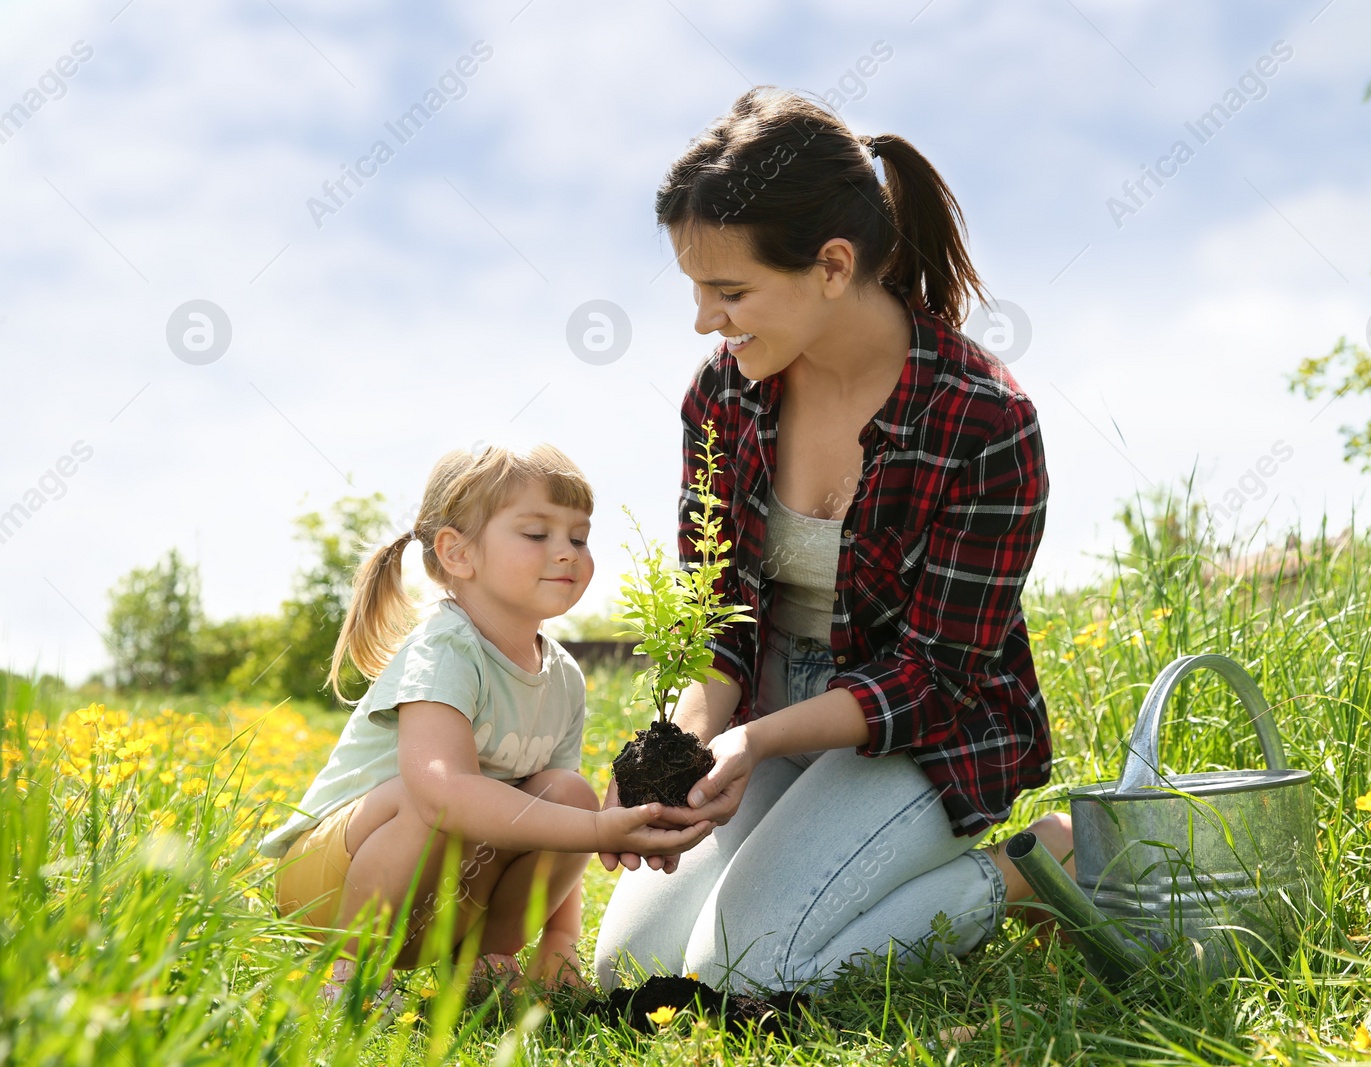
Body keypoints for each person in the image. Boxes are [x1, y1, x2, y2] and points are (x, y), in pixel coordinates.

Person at [593, 87, 1074, 996]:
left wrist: (760, 741)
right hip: (769, 715)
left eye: (730, 291)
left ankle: (1022, 870)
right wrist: (690, 739)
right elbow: (719, 615)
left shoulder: (984, 420)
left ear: (832, 265)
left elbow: (935, 676)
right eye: (696, 288)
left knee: (750, 974)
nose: (704, 319)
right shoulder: (724, 397)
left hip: (920, 734)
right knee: (631, 973)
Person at [258, 443, 714, 1011]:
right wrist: (600, 832)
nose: (567, 553)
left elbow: (559, 819)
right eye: (536, 534)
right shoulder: (446, 646)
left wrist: (561, 939)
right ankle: (346, 969)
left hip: (437, 903)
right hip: (327, 888)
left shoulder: (564, 676)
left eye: (578, 537)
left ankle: (485, 962)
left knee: (568, 794)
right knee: (434, 799)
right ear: (457, 553)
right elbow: (441, 793)